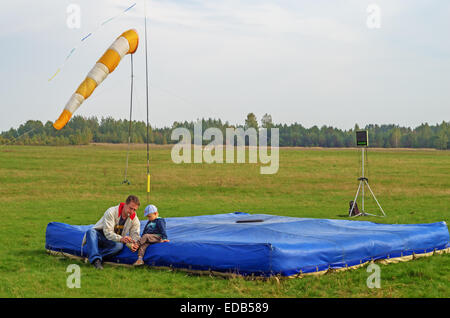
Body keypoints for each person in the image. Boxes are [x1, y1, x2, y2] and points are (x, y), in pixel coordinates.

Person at [82, 195, 141, 269]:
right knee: (90, 231)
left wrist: (135, 244)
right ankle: (96, 261)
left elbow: (135, 234)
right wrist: (121, 239)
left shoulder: (135, 219)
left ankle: (96, 259)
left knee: (119, 246)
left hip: (114, 241)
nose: (132, 211)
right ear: (125, 204)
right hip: (100, 236)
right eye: (130, 208)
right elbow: (108, 233)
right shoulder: (111, 211)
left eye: (134, 210)